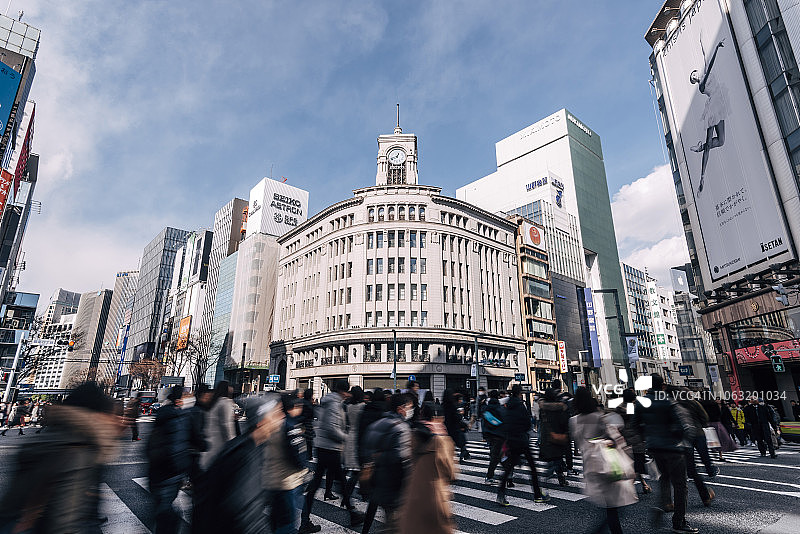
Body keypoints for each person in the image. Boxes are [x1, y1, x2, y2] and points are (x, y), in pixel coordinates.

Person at [0, 383, 121, 532]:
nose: (115, 419)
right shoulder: (79, 450)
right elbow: (66, 522)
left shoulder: (50, 437)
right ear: (98, 414)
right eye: (111, 414)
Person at [196, 394, 284, 534]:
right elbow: (246, 514)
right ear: (262, 421)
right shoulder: (247, 456)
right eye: (276, 413)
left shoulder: (249, 446)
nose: (281, 417)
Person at [632, 374, 697, 534]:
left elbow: (634, 425)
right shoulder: (668, 401)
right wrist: (680, 439)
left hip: (654, 447)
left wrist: (647, 437)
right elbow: (682, 426)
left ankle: (662, 504)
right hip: (673, 448)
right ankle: (679, 521)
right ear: (662, 386)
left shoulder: (641, 402)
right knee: (681, 485)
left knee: (664, 477)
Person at [299, 379, 363, 533]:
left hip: (325, 447)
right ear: (342, 391)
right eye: (347, 392)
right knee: (335, 482)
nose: (348, 395)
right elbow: (331, 428)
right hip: (330, 448)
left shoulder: (330, 402)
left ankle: (351, 513)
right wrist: (346, 437)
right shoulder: (334, 404)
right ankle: (352, 513)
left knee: (329, 483)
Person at [570, 387, 637, 534]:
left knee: (610, 506)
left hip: (591, 464)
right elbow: (614, 438)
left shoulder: (573, 421)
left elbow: (580, 441)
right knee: (614, 506)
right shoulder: (598, 417)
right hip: (607, 462)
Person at [399, 402, 456, 534]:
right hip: (436, 491)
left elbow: (409, 458)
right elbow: (449, 471)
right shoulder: (442, 439)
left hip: (415, 488)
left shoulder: (415, 433)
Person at [361, 393, 414, 534]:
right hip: (394, 485)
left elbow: (366, 453)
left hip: (377, 482)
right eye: (409, 407)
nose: (410, 411)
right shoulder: (401, 428)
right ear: (400, 409)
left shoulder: (376, 424)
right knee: (395, 525)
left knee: (391, 521)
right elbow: (403, 459)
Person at [148, 385, 192, 534]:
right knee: (167, 514)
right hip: (170, 472)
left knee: (161, 508)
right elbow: (177, 448)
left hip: (155, 470)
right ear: (179, 400)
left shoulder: (162, 415)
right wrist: (182, 470)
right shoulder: (177, 418)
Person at [264, 393, 310, 534]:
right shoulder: (290, 426)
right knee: (287, 523)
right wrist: (304, 470)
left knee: (275, 519)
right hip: (288, 481)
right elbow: (296, 453)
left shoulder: (269, 425)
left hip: (271, 480)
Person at [497, 384, 549, 506]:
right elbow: (527, 423)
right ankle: (537, 494)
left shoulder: (507, 406)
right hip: (522, 440)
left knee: (509, 468)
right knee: (533, 468)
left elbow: (505, 423)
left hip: (511, 440)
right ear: (519, 393)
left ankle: (501, 494)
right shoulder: (521, 406)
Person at [689, 37, 729, 194]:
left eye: (694, 73)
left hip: (719, 104)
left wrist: (703, 43)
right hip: (713, 108)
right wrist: (718, 48)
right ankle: (702, 176)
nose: (695, 75)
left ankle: (701, 147)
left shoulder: (704, 74)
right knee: (709, 144)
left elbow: (706, 58)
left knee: (721, 141)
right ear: (696, 81)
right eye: (693, 78)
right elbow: (710, 63)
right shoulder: (702, 84)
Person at [679, 390, 716, 507]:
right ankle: (709, 469)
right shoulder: (694, 403)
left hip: (684, 437)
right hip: (698, 432)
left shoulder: (676, 405)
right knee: (703, 453)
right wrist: (702, 425)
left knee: (690, 465)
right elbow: (704, 416)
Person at [615, 389, 651, 494]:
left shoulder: (619, 410)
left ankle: (643, 484)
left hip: (623, 441)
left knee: (629, 465)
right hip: (637, 441)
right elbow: (642, 424)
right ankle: (629, 487)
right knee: (637, 466)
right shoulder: (636, 409)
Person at [199, 381, 236, 471]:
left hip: (208, 448)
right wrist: (233, 444)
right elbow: (227, 426)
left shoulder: (214, 402)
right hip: (219, 448)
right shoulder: (225, 402)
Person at [538, 387, 570, 487]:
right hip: (558, 435)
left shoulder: (542, 409)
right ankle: (558, 477)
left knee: (553, 457)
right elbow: (564, 422)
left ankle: (553, 473)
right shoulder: (560, 408)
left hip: (546, 436)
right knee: (558, 458)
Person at [344, 386, 366, 499]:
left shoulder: (348, 407)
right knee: (358, 470)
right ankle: (348, 495)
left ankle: (360, 493)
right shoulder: (363, 407)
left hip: (350, 436)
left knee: (355, 470)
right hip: (359, 438)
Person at [701, 396, 737, 462]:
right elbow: (719, 414)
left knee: (708, 441)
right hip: (716, 423)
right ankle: (720, 455)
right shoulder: (714, 405)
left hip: (707, 424)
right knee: (719, 439)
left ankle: (710, 455)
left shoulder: (703, 405)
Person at [481, 390, 505, 485]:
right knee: (497, 456)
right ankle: (490, 476)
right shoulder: (500, 408)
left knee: (496, 455)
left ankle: (491, 476)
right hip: (499, 435)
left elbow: (483, 423)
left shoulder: (486, 409)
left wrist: (484, 435)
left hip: (489, 435)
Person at [443, 389, 469, 462]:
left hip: (446, 428)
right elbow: (457, 418)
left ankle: (449, 458)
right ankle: (463, 454)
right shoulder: (453, 406)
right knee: (459, 442)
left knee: (449, 444)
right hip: (455, 427)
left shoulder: (443, 405)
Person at [300, 388, 316, 461]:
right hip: (307, 424)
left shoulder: (302, 402)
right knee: (309, 441)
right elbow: (312, 414)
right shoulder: (308, 404)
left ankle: (307, 455)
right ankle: (309, 456)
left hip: (303, 423)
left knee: (305, 441)